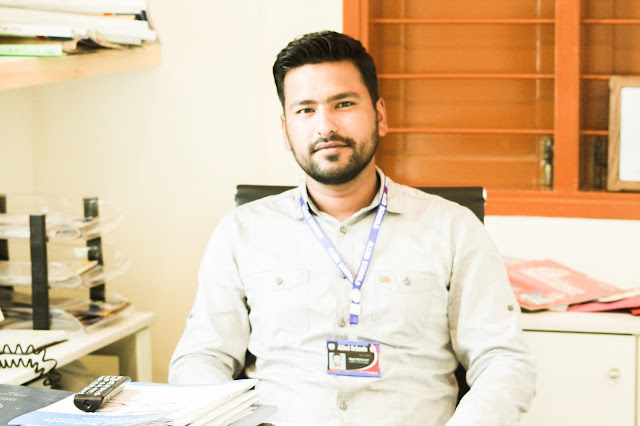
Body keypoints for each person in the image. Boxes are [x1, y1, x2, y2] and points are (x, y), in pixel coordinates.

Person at [169, 30, 536, 425]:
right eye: (305, 110)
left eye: (343, 104)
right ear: (285, 130)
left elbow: (503, 361)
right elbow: (202, 356)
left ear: (380, 116)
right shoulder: (241, 232)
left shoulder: (453, 229)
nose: (325, 125)